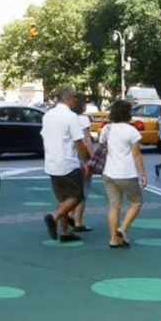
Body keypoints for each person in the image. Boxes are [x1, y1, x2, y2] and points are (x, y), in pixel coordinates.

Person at [41, 85, 91, 243]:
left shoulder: (48, 115)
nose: (76, 101)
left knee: (63, 198)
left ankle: (65, 232)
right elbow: (79, 142)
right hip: (68, 162)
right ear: (69, 98)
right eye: (75, 98)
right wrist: (86, 162)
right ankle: (54, 217)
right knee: (77, 196)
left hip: (51, 162)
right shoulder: (71, 117)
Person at [98, 100, 147, 248]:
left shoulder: (107, 128)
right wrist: (143, 174)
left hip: (108, 172)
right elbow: (136, 154)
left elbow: (103, 146)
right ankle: (123, 229)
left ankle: (114, 238)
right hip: (126, 173)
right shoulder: (131, 131)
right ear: (128, 113)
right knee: (136, 201)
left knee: (114, 205)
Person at [68, 93, 94, 232]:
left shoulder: (68, 118)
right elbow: (86, 141)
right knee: (83, 192)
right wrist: (92, 158)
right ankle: (78, 222)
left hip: (69, 157)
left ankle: (70, 217)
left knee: (72, 192)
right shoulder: (83, 119)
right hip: (81, 157)